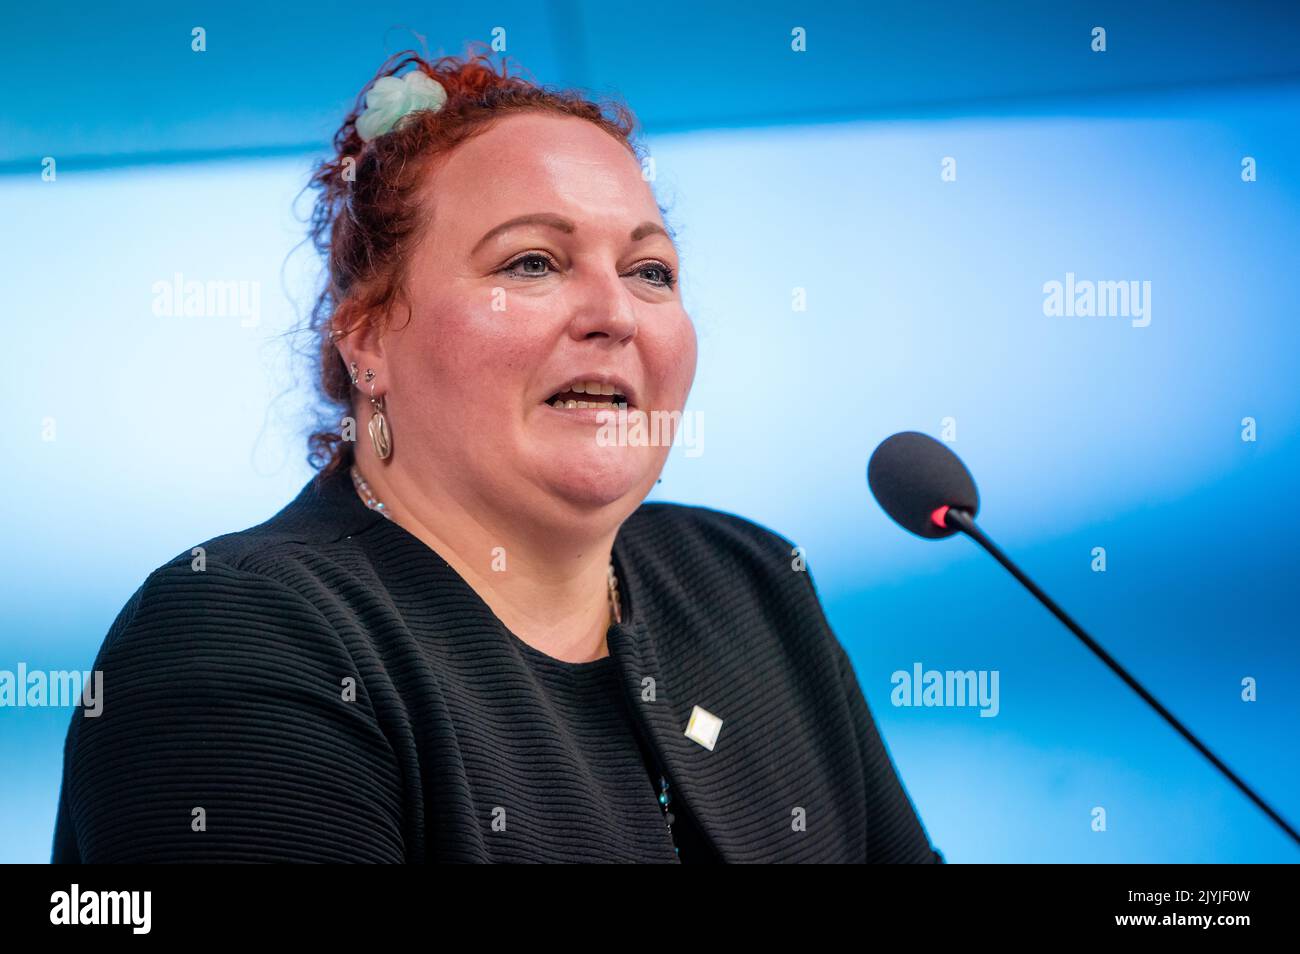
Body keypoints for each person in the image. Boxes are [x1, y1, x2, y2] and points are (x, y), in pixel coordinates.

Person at [52, 49, 942, 863]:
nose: (615, 313)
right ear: (367, 342)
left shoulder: (749, 581)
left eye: (651, 271)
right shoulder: (237, 636)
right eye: (530, 264)